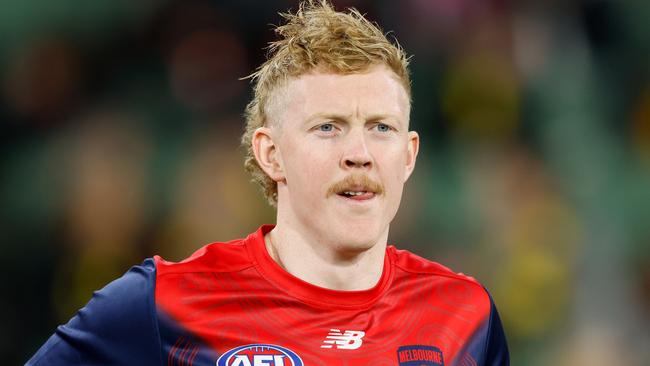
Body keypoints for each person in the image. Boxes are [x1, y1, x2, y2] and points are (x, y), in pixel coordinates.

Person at [27, 1, 509, 365]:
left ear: (408, 156)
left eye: (381, 127)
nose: (359, 154)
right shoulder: (160, 304)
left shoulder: (467, 316)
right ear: (270, 153)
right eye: (328, 126)